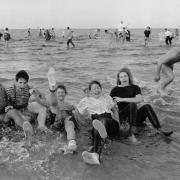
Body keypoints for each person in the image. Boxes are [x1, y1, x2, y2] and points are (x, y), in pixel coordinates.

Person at [110, 67, 173, 139]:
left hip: (135, 115)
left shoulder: (135, 87)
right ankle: (132, 130)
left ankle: (159, 129)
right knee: (132, 104)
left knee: (147, 106)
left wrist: (122, 99)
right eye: (121, 77)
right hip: (124, 117)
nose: (123, 78)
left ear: (128, 77)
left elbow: (139, 99)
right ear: (119, 79)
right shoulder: (115, 90)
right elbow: (109, 104)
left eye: (125, 76)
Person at [75, 80, 121, 165]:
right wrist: (82, 127)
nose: (96, 90)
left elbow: (114, 110)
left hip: (111, 124)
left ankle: (98, 147)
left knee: (101, 121)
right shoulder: (85, 100)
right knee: (96, 125)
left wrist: (118, 124)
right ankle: (95, 156)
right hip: (96, 123)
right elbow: (78, 113)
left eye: (98, 88)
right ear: (90, 91)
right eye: (94, 89)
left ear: (101, 89)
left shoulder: (107, 97)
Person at [5, 70, 50, 136]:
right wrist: (9, 106)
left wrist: (37, 96)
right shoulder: (10, 90)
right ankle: (25, 132)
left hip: (25, 108)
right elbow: (5, 103)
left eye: (24, 83)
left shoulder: (30, 89)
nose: (22, 85)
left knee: (42, 108)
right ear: (16, 82)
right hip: (15, 110)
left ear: (27, 82)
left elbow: (44, 98)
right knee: (26, 120)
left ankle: (41, 126)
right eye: (20, 83)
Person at [46, 84, 78, 152]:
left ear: (65, 93)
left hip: (67, 124)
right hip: (56, 123)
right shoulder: (53, 103)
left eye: (62, 92)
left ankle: (71, 142)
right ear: (55, 94)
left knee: (69, 119)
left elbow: (78, 112)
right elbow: (51, 103)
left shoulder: (69, 105)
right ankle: (67, 144)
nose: (61, 94)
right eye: (59, 92)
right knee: (65, 116)